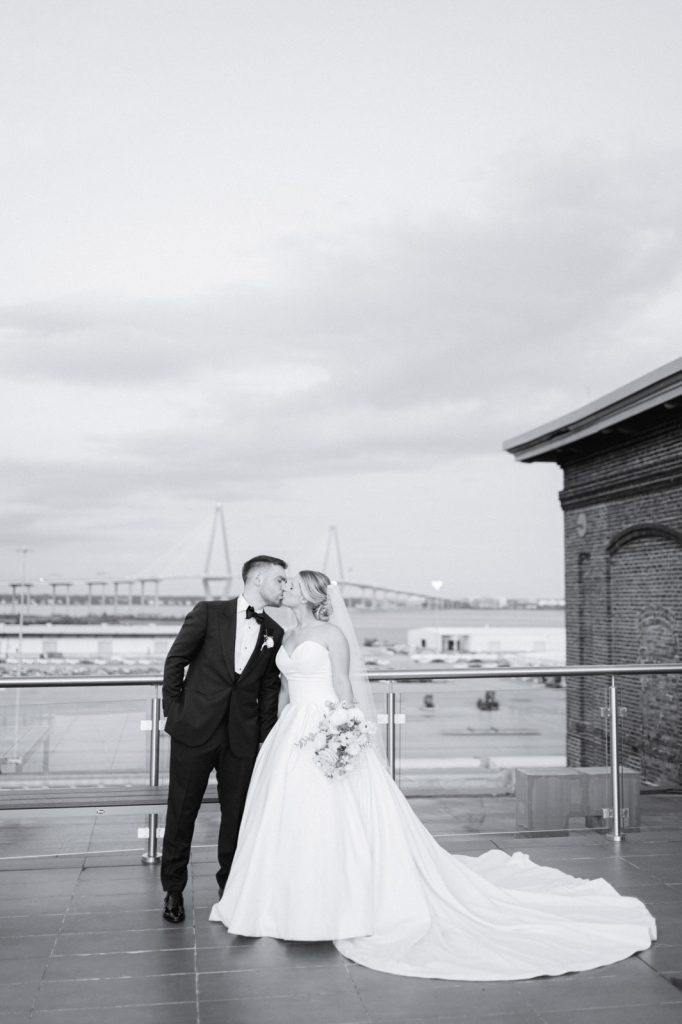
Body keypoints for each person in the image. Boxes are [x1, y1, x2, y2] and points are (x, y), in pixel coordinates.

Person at [209, 569, 656, 980]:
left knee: (334, 815)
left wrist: (345, 732)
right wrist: (275, 737)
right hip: (292, 735)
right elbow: (286, 691)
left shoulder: (331, 634)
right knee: (288, 817)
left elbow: (344, 688)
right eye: (282, 584)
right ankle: (281, 901)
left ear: (310, 594)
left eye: (291, 585)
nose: (283, 588)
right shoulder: (287, 635)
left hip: (327, 725)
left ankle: (339, 901)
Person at [160, 554, 287, 923]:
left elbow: (268, 689)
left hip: (241, 739)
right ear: (259, 578)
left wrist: (264, 740)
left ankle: (229, 888)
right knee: (182, 811)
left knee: (237, 817)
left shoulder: (274, 633)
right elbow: (175, 661)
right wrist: (175, 710)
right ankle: (173, 891)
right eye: (280, 579)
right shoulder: (209, 612)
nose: (284, 586)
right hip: (194, 730)